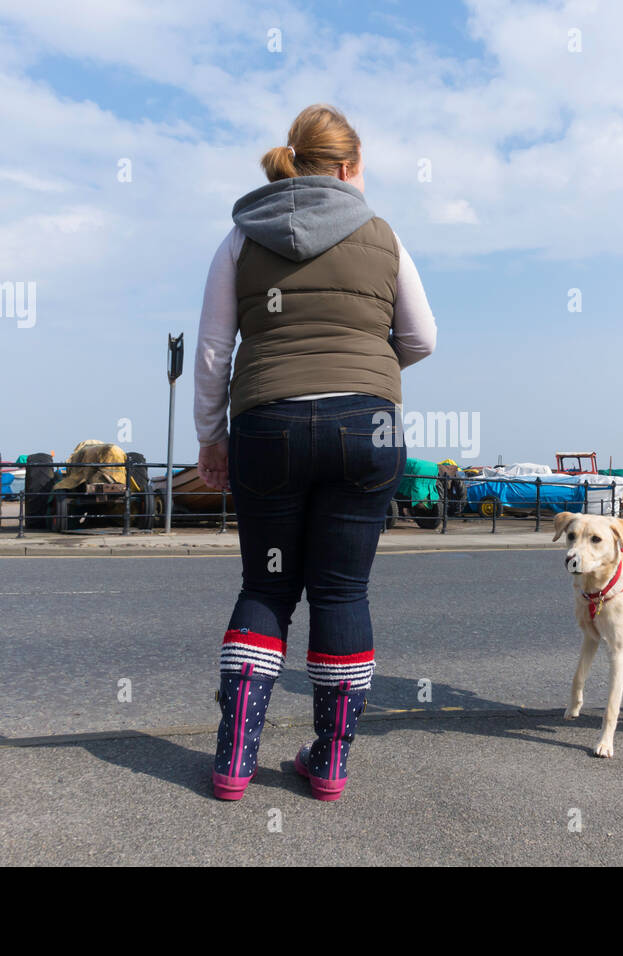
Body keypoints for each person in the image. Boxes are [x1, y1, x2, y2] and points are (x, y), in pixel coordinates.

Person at [194, 104, 437, 800]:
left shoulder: (240, 238)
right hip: (366, 430)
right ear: (351, 166)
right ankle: (329, 763)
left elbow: (214, 351)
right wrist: (362, 369)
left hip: (269, 426)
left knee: (267, 586)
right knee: (342, 590)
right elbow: (422, 338)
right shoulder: (383, 235)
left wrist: (212, 438)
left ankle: (234, 760)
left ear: (295, 160)